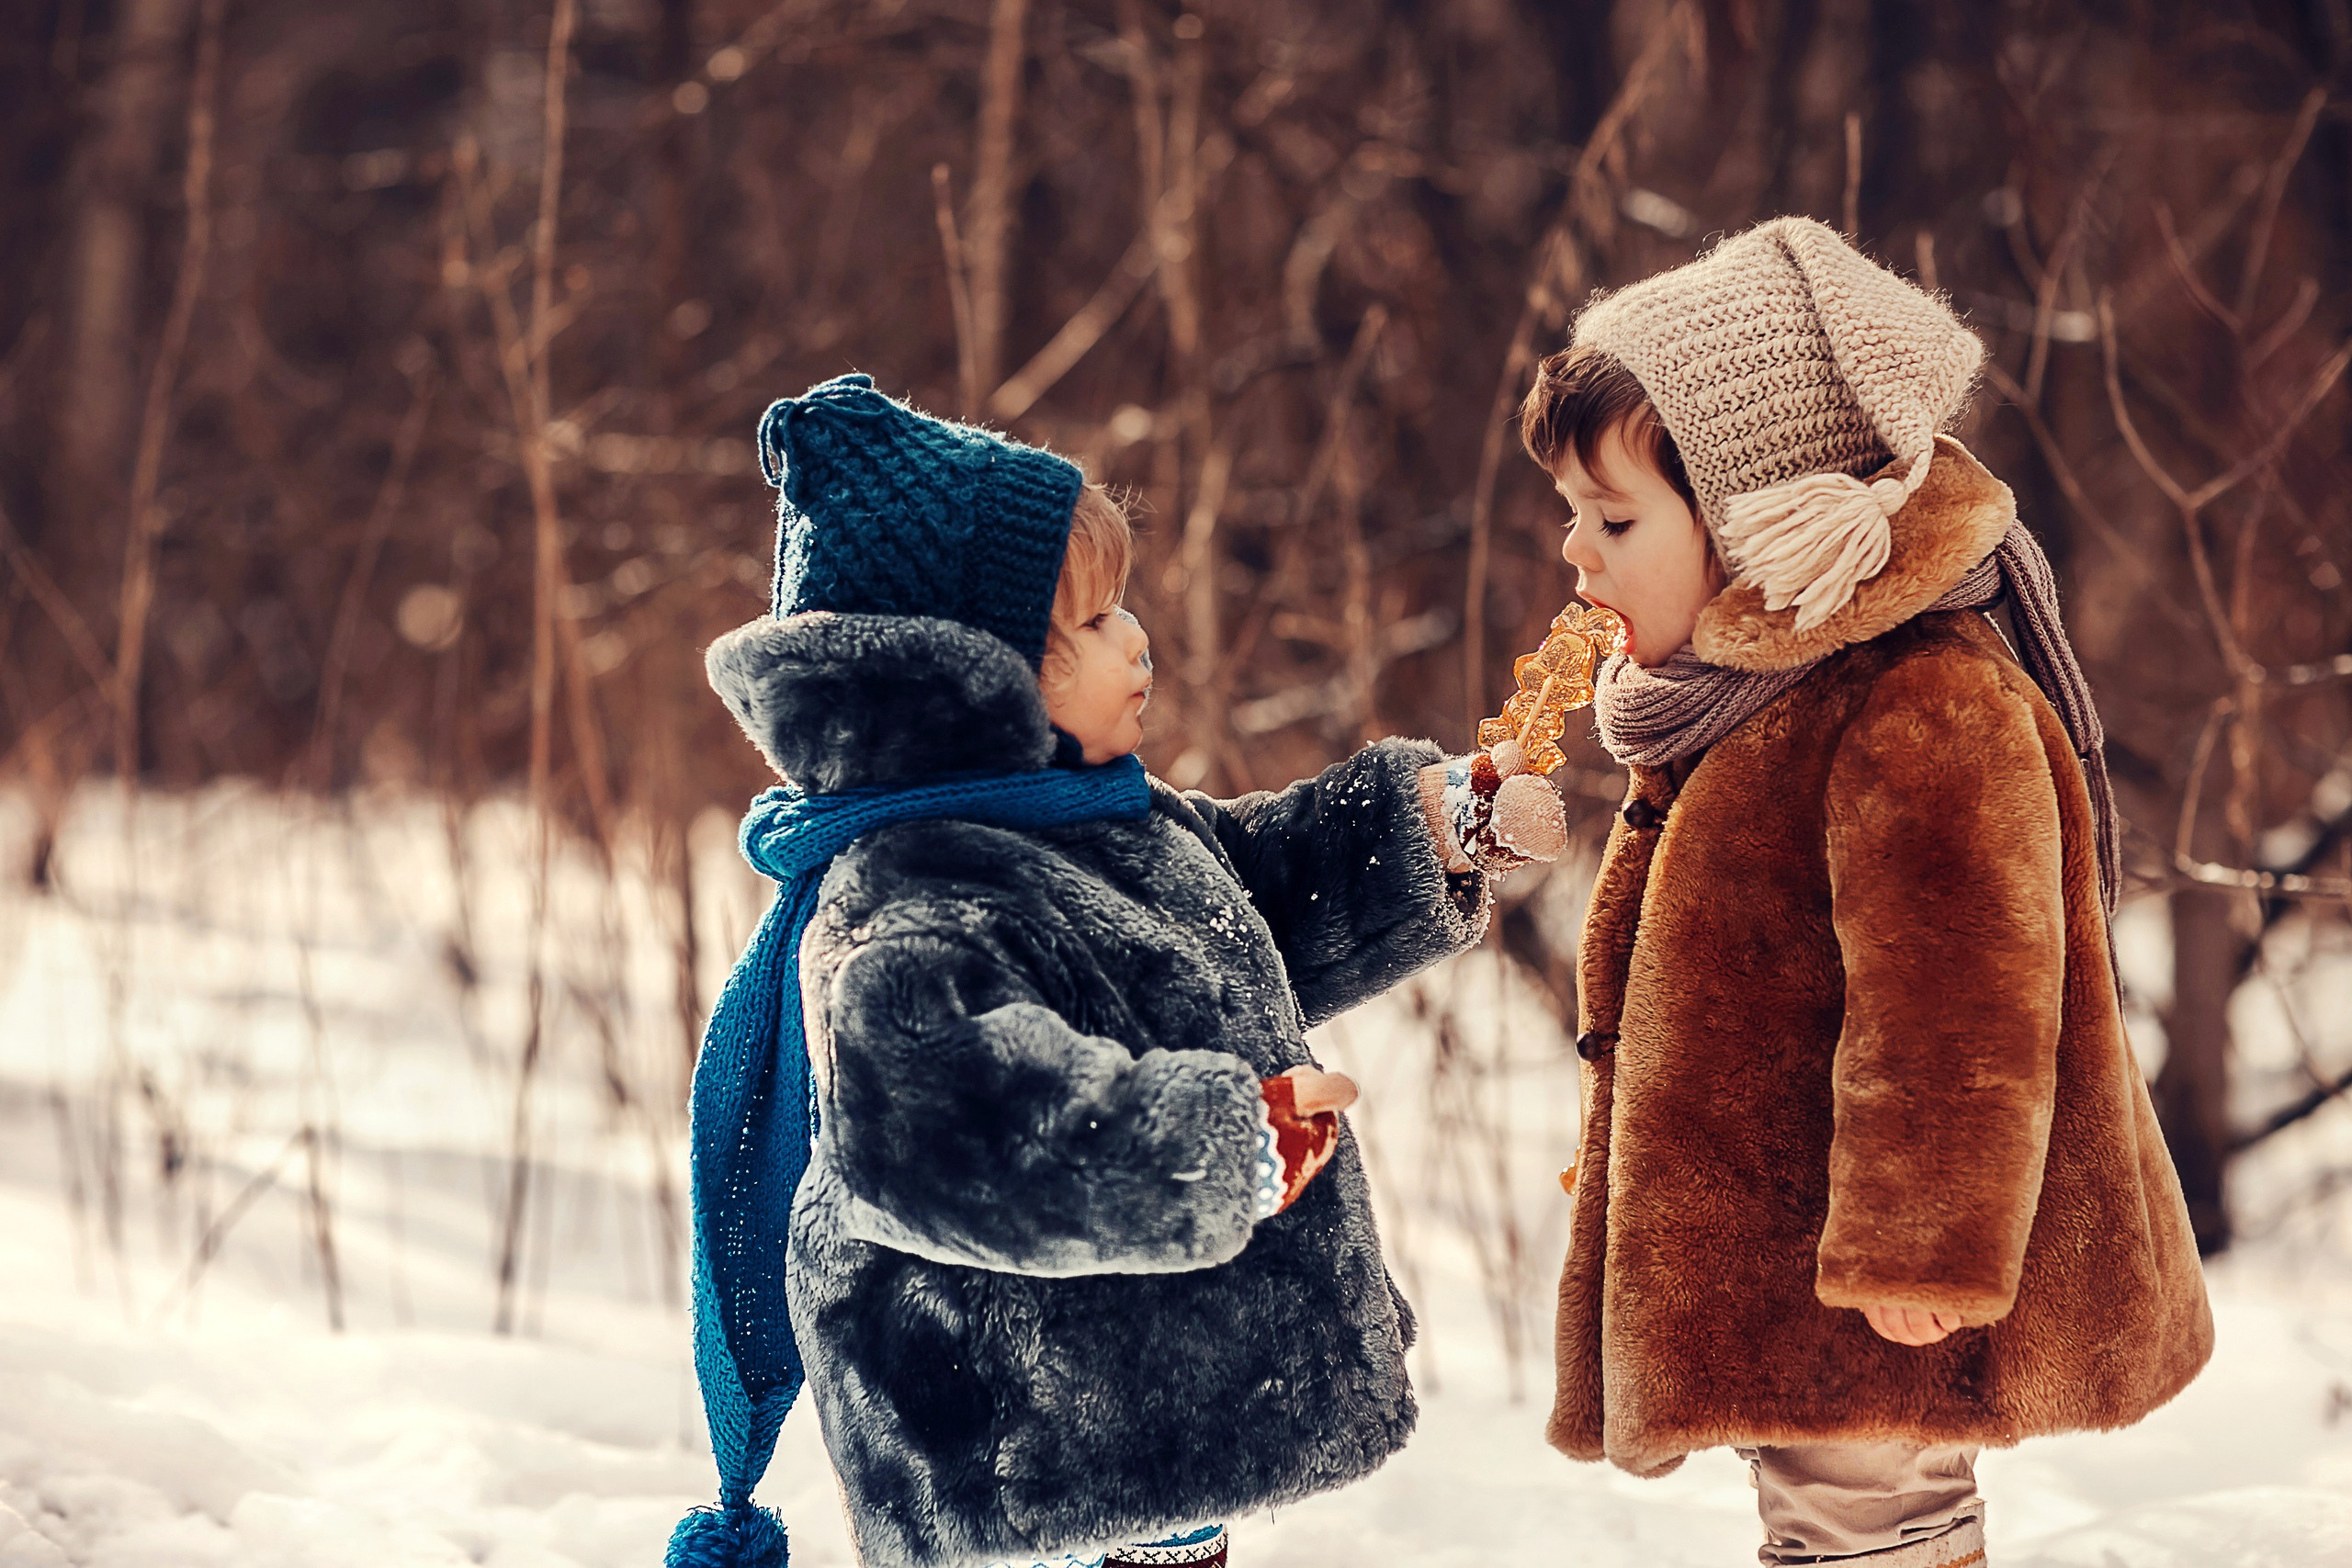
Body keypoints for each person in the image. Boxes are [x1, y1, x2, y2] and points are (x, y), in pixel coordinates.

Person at [669, 373, 1565, 1568]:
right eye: (1093, 625)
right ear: (970, 686)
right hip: (1020, 1439)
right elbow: (955, 1134)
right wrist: (1213, 1150)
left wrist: (1431, 827)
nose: (1137, 641)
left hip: (1151, 1412)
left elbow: (1249, 902)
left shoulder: (1099, 828)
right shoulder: (912, 904)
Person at [1521, 218, 2213, 1567]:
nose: (1577, 555)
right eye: (1571, 519)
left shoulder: (1916, 701)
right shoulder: (1752, 697)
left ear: (1763, 518)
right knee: (1838, 1520)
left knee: (1872, 1524)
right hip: (1791, 1247)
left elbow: (1960, 1005)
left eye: (1613, 520)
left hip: (1878, 1272)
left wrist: (1923, 1249)